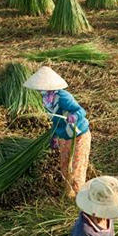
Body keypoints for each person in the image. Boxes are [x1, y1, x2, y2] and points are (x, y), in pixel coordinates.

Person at [24, 66, 91, 197]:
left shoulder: (62, 97)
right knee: (65, 167)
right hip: (65, 136)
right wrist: (54, 136)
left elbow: (81, 111)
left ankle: (81, 199)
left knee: (77, 168)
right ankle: (69, 195)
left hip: (79, 135)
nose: (39, 90)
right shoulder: (46, 100)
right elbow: (55, 120)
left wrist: (74, 117)